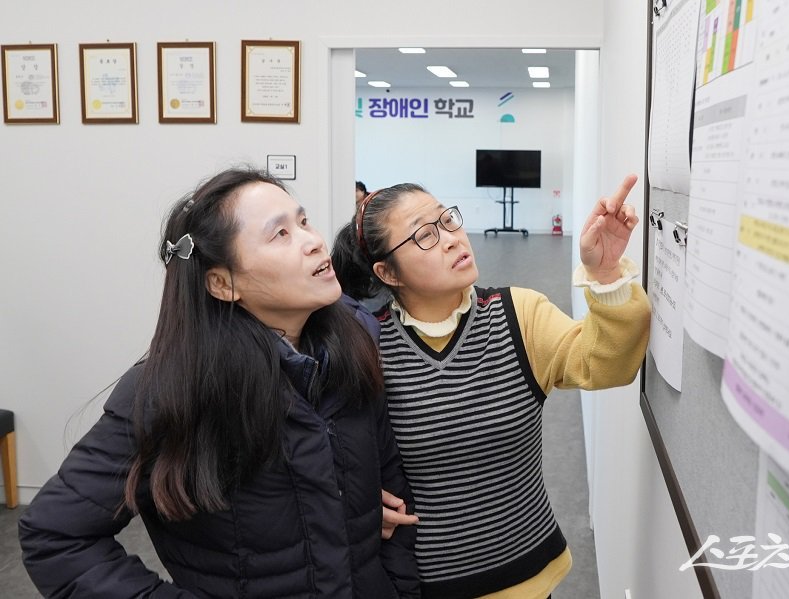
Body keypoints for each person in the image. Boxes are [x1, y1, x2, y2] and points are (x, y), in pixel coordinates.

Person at [19, 167, 419, 598]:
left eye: (303, 221)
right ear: (222, 283)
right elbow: (54, 535)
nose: (314, 240)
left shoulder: (351, 350)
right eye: (280, 234)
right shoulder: (169, 390)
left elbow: (391, 481)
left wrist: (397, 586)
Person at [331, 175, 651, 599]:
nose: (450, 239)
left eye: (447, 220)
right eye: (424, 235)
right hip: (425, 586)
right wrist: (356, 497)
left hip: (530, 576)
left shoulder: (518, 313)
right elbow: (327, 451)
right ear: (387, 272)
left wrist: (605, 272)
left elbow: (605, 365)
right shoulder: (370, 346)